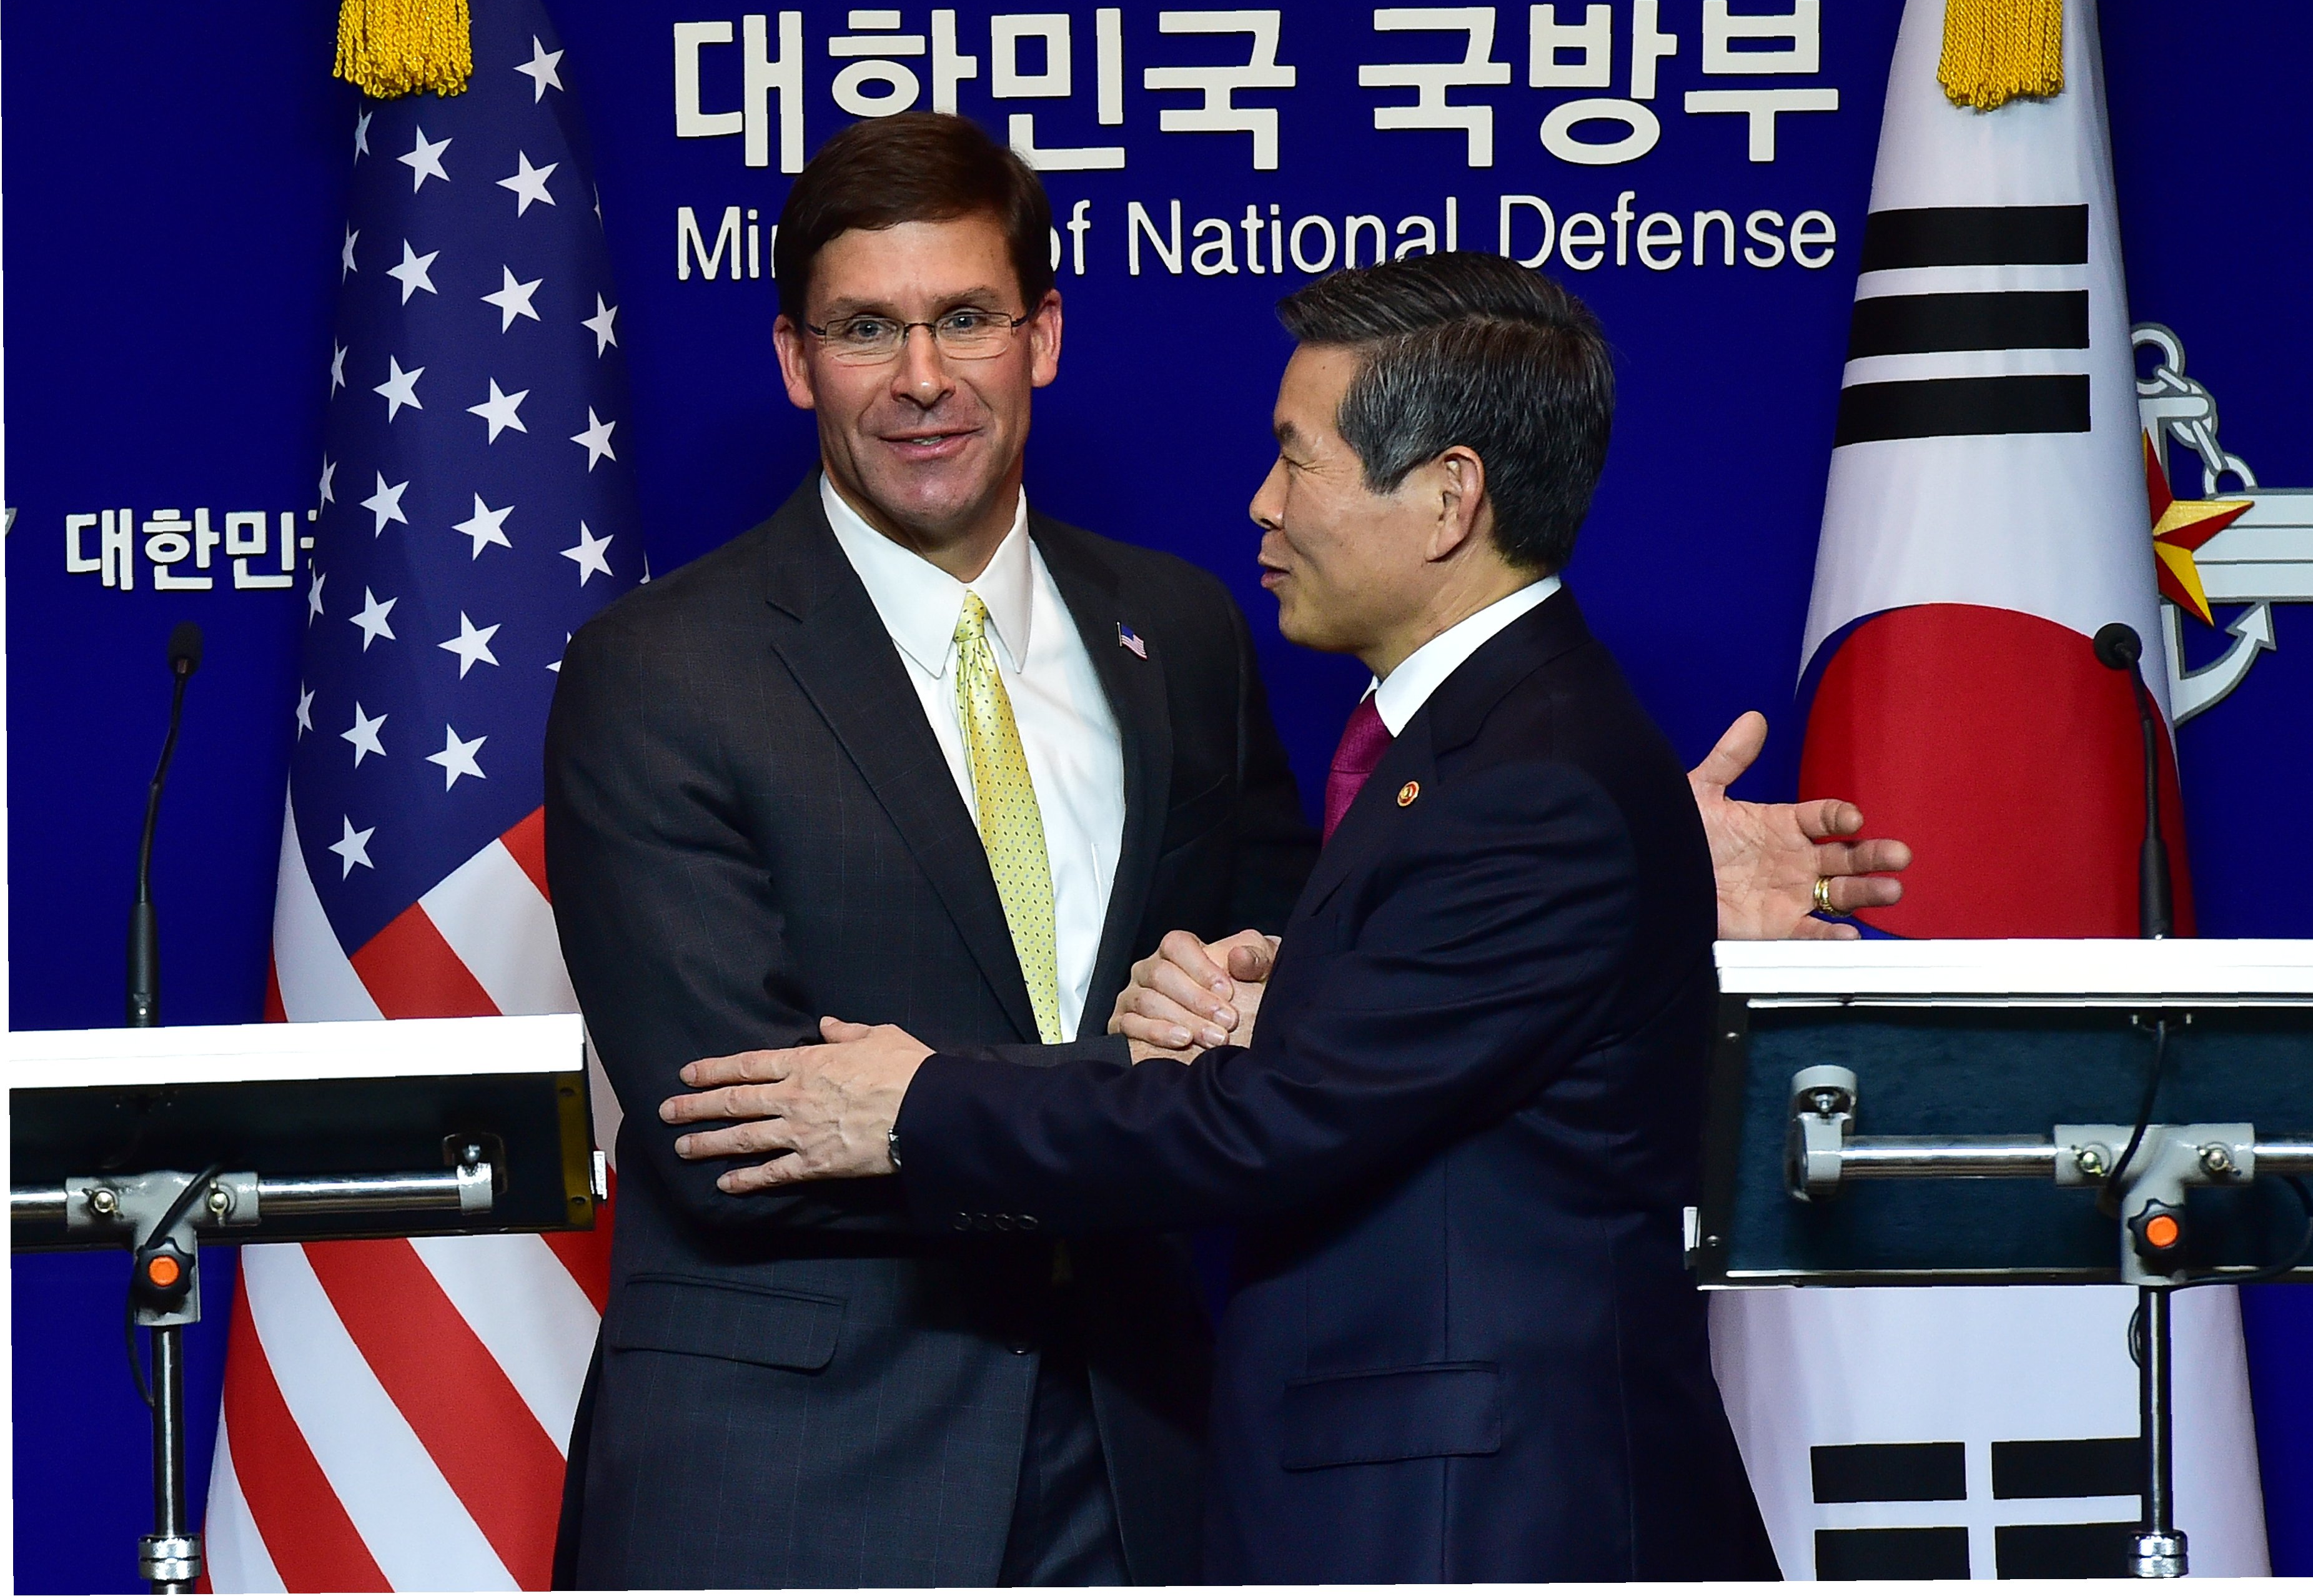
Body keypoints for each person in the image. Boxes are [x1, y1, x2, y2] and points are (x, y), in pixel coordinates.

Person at [552, 111, 1899, 1588]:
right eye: (867, 328)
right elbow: (741, 1122)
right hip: (802, 1481)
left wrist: (1637, 886)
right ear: (794, 358)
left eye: (968, 318)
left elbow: (1303, 991)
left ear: (1042, 334)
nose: (922, 375)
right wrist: (1124, 1079)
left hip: (1148, 1464)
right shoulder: (659, 669)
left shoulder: (1179, 633)